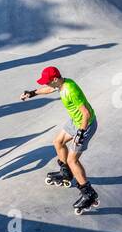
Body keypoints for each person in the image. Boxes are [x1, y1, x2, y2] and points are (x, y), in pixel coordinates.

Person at [20, 66, 98, 214]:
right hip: (75, 121)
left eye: (47, 81)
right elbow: (49, 89)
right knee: (58, 142)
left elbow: (86, 113)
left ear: (55, 79)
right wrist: (32, 93)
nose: (46, 84)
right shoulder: (60, 84)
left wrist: (81, 132)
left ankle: (88, 193)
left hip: (85, 124)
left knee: (72, 160)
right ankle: (66, 174)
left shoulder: (70, 90)